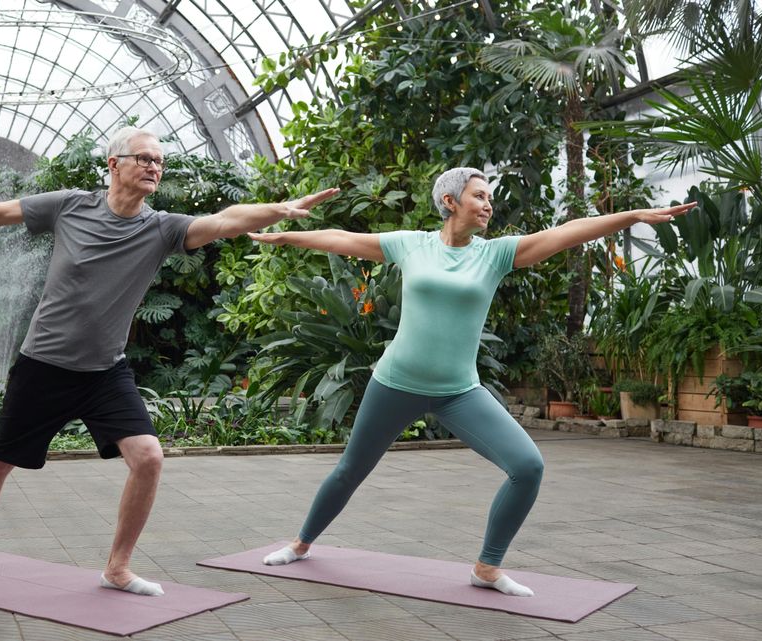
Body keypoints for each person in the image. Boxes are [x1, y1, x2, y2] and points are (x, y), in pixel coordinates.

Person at [0, 126, 338, 596]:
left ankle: (117, 568)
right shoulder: (71, 205)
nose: (153, 167)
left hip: (105, 371)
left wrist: (281, 209)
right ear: (113, 163)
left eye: (159, 162)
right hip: (43, 365)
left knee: (149, 458)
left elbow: (224, 219)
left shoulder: (162, 228)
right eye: (143, 158)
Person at [251, 167, 694, 597]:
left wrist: (632, 216)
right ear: (450, 202)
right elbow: (344, 240)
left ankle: (487, 567)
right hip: (395, 383)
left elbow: (568, 231)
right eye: (479, 196)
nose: (488, 205)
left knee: (528, 467)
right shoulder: (412, 245)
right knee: (350, 470)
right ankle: (301, 543)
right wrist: (287, 234)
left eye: (489, 198)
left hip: (458, 392)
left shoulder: (495, 253)